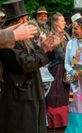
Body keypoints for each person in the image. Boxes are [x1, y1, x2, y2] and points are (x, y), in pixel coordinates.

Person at [0, 0, 60, 133]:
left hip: (32, 91)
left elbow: (37, 55)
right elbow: (25, 64)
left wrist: (49, 47)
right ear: (20, 20)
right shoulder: (8, 42)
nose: (28, 21)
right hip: (19, 96)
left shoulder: (25, 37)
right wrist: (43, 50)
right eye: (26, 19)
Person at [46, 12, 71, 128]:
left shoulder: (65, 33)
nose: (64, 22)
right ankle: (56, 122)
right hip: (58, 68)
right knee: (57, 95)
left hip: (67, 66)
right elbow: (60, 54)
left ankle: (66, 120)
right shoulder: (53, 35)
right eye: (61, 21)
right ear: (56, 23)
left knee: (67, 94)